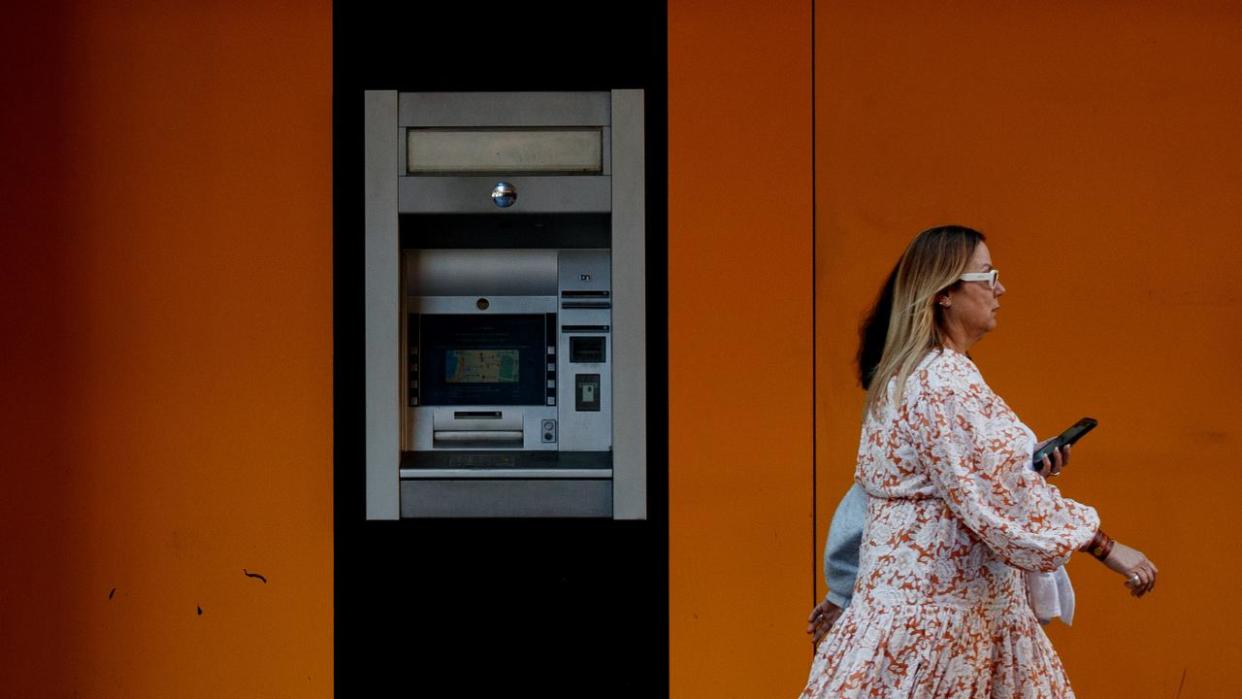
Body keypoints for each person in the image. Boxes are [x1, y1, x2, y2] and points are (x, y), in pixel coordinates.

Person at [798, 225, 1157, 697]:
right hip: (945, 632)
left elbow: (881, 497)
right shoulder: (945, 382)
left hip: (910, 627)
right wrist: (1107, 547)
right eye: (987, 275)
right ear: (944, 292)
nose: (999, 288)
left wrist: (845, 591)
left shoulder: (902, 376)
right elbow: (1000, 500)